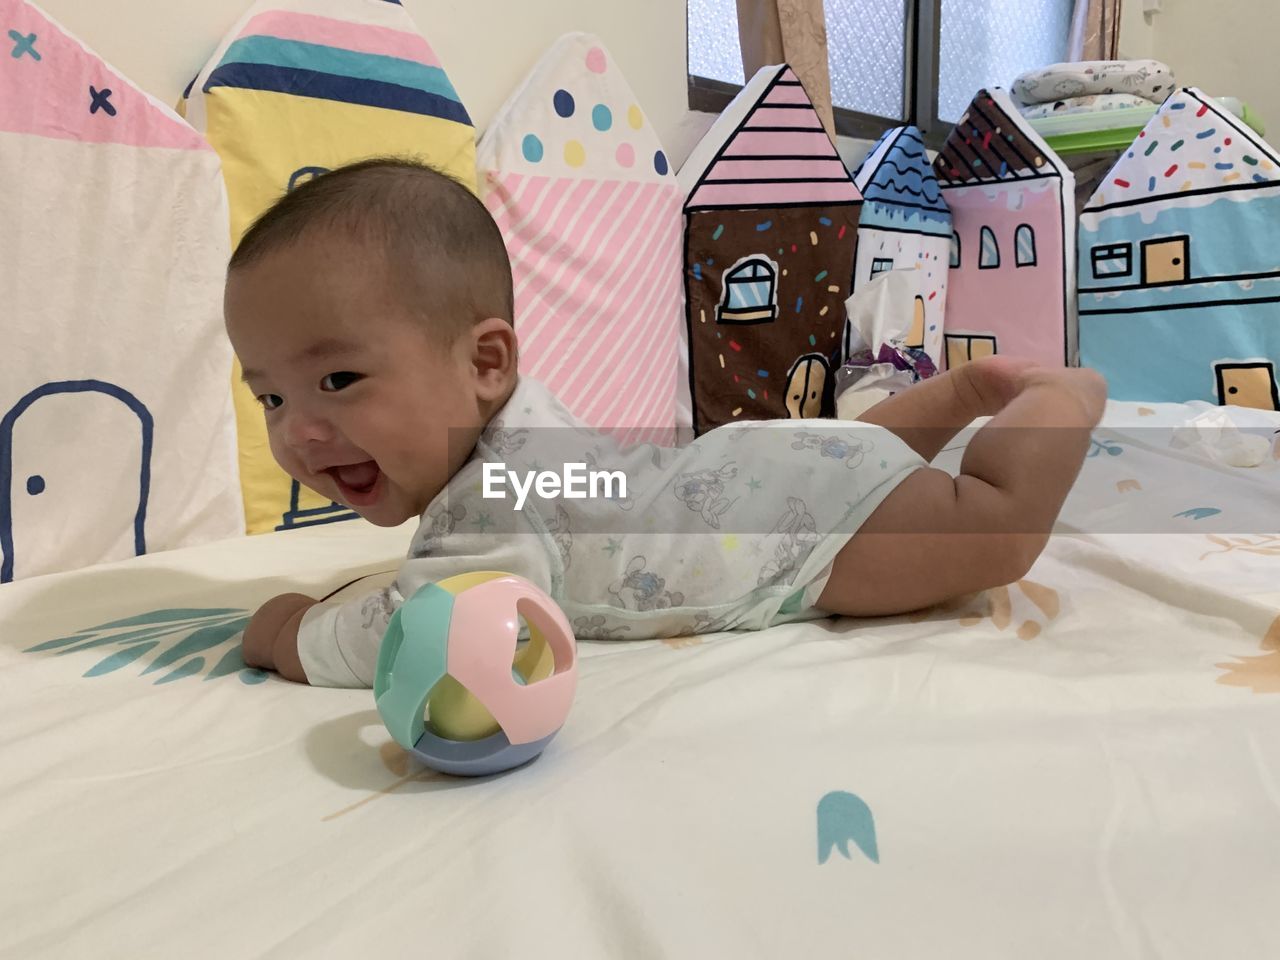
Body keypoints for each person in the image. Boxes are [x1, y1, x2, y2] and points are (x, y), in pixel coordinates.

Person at [224, 159, 1107, 687]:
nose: (297, 432)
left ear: (486, 363)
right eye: (271, 397)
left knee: (989, 525)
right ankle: (956, 397)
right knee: (861, 461)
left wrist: (291, 634)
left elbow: (419, 633)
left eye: (337, 379)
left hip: (794, 541)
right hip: (757, 472)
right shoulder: (517, 432)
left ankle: (1062, 397)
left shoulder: (497, 500)